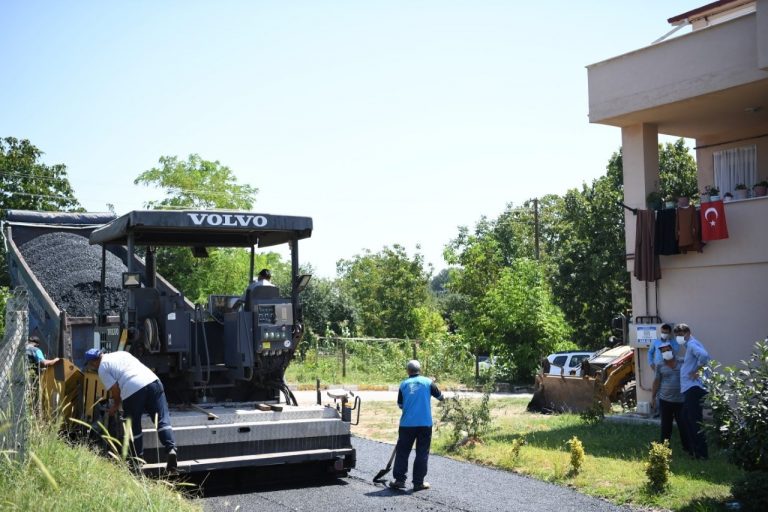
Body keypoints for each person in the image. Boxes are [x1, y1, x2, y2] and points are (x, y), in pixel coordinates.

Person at [84, 349, 177, 470]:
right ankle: (171, 449)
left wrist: (116, 405)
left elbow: (115, 389)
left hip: (132, 389)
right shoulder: (121, 353)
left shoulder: (102, 367)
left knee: (134, 425)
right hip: (153, 381)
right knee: (162, 419)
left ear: (93, 362)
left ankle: (138, 460)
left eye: (91, 365)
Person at [390, 359, 444, 492]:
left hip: (407, 424)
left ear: (408, 371)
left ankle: (399, 480)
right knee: (422, 453)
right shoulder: (428, 382)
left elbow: (400, 405)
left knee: (402, 452)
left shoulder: (403, 384)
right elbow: (441, 397)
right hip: (425, 424)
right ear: (420, 370)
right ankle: (418, 483)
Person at [676, 323, 710, 459]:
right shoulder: (691, 345)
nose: (679, 338)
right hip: (690, 388)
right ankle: (691, 449)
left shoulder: (691, 344)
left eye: (680, 335)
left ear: (687, 333)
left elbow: (704, 356)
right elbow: (693, 360)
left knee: (694, 420)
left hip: (693, 388)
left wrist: (698, 371)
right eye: (677, 336)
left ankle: (701, 454)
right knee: (685, 418)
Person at [651, 342, 690, 454]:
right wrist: (653, 397)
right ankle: (663, 450)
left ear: (672, 350)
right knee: (666, 427)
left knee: (683, 426)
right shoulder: (660, 365)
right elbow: (656, 381)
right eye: (663, 351)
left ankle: (687, 449)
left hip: (681, 401)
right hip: (665, 401)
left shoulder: (682, 362)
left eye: (667, 350)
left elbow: (693, 369)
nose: (665, 352)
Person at [647, 323, 678, 417]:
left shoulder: (673, 342)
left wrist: (668, 343)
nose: (664, 334)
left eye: (666, 332)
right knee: (657, 388)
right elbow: (650, 353)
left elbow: (675, 352)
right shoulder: (655, 342)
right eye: (662, 332)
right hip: (657, 368)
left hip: (669, 368)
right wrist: (651, 363)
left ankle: (670, 412)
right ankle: (658, 411)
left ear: (669, 333)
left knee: (669, 388)